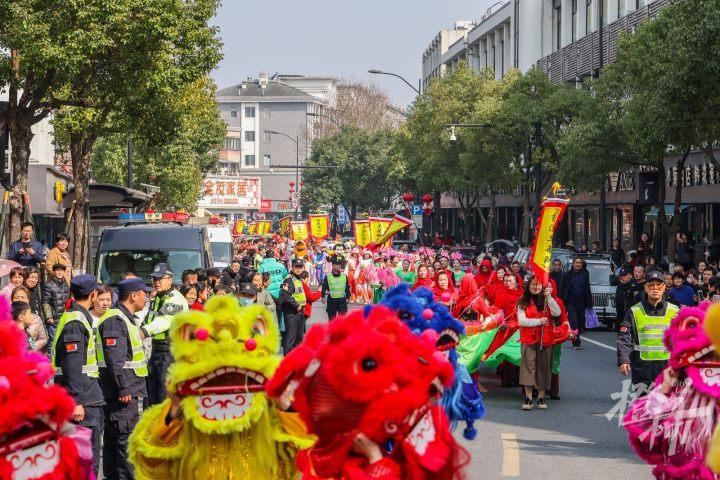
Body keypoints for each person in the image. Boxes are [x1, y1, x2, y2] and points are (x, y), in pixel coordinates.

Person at [97, 278, 151, 480]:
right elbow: (114, 359)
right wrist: (123, 388)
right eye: (144, 293)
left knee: (115, 443)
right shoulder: (116, 319)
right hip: (122, 395)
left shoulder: (124, 318)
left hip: (125, 391)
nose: (147, 297)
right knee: (125, 444)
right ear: (134, 295)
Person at [51, 274, 105, 477]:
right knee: (84, 456)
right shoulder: (76, 321)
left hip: (83, 394)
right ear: (93, 294)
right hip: (83, 397)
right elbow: (72, 364)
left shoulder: (74, 316)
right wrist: (76, 401)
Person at [617, 270, 679, 392]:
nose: (655, 288)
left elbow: (685, 338)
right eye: (651, 285)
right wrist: (624, 359)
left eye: (659, 285)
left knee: (665, 406)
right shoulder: (635, 311)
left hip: (667, 368)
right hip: (642, 369)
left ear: (664, 287)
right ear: (645, 288)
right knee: (644, 406)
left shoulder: (675, 311)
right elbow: (625, 337)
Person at [141, 263, 188, 407]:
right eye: (154, 279)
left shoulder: (174, 299)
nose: (156, 282)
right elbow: (148, 319)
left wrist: (144, 331)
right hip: (158, 352)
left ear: (170, 279)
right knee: (151, 395)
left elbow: (165, 320)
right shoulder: (158, 298)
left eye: (160, 279)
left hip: (170, 352)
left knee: (164, 396)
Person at [517, 276, 561, 410]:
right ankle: (528, 398)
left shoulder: (548, 300)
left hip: (545, 339)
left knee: (543, 368)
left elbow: (557, 312)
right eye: (533, 285)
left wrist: (549, 297)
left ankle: (541, 397)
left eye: (538, 285)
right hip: (528, 339)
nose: (535, 287)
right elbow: (522, 321)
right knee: (528, 367)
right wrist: (538, 322)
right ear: (528, 286)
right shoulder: (522, 301)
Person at [559, 257, 593, 349]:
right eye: (577, 262)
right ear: (573, 264)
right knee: (574, 322)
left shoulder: (584, 274)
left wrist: (589, 303)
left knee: (580, 322)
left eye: (580, 263)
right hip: (570, 303)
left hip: (581, 302)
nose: (578, 264)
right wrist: (560, 302)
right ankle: (576, 341)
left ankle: (577, 336)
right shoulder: (567, 275)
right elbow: (562, 288)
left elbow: (587, 289)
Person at [278, 259, 306, 353]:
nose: (298, 269)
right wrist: (296, 305)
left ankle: (296, 362)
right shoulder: (289, 279)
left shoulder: (298, 279)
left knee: (298, 340)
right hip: (292, 313)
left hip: (299, 313)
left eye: (300, 267)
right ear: (292, 267)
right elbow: (286, 295)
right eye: (296, 267)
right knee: (290, 340)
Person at [42, 263, 71, 355]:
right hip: (54, 319)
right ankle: (50, 360)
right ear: (54, 272)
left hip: (64, 317)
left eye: (61, 270)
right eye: (57, 270)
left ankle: (59, 360)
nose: (59, 272)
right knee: (53, 340)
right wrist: (48, 317)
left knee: (63, 340)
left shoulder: (65, 283)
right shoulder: (49, 285)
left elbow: (68, 299)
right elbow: (45, 302)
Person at [11, 285, 48, 353]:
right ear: (12, 300)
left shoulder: (35, 318)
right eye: (16, 297)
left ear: (28, 300)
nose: (20, 300)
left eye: (23, 297)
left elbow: (43, 339)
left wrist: (31, 348)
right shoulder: (5, 319)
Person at [322, 256, 350, 320]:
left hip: (342, 300)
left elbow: (347, 287)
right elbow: (324, 287)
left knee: (342, 320)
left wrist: (348, 297)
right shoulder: (328, 276)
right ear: (333, 265)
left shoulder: (344, 276)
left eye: (339, 264)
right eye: (336, 264)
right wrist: (323, 297)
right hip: (332, 300)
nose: (338, 266)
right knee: (332, 319)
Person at [613, 265, 636, 332]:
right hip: (620, 303)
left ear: (630, 275)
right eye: (621, 275)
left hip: (630, 307)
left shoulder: (634, 285)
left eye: (624, 275)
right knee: (619, 317)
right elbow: (612, 282)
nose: (622, 277)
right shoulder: (621, 282)